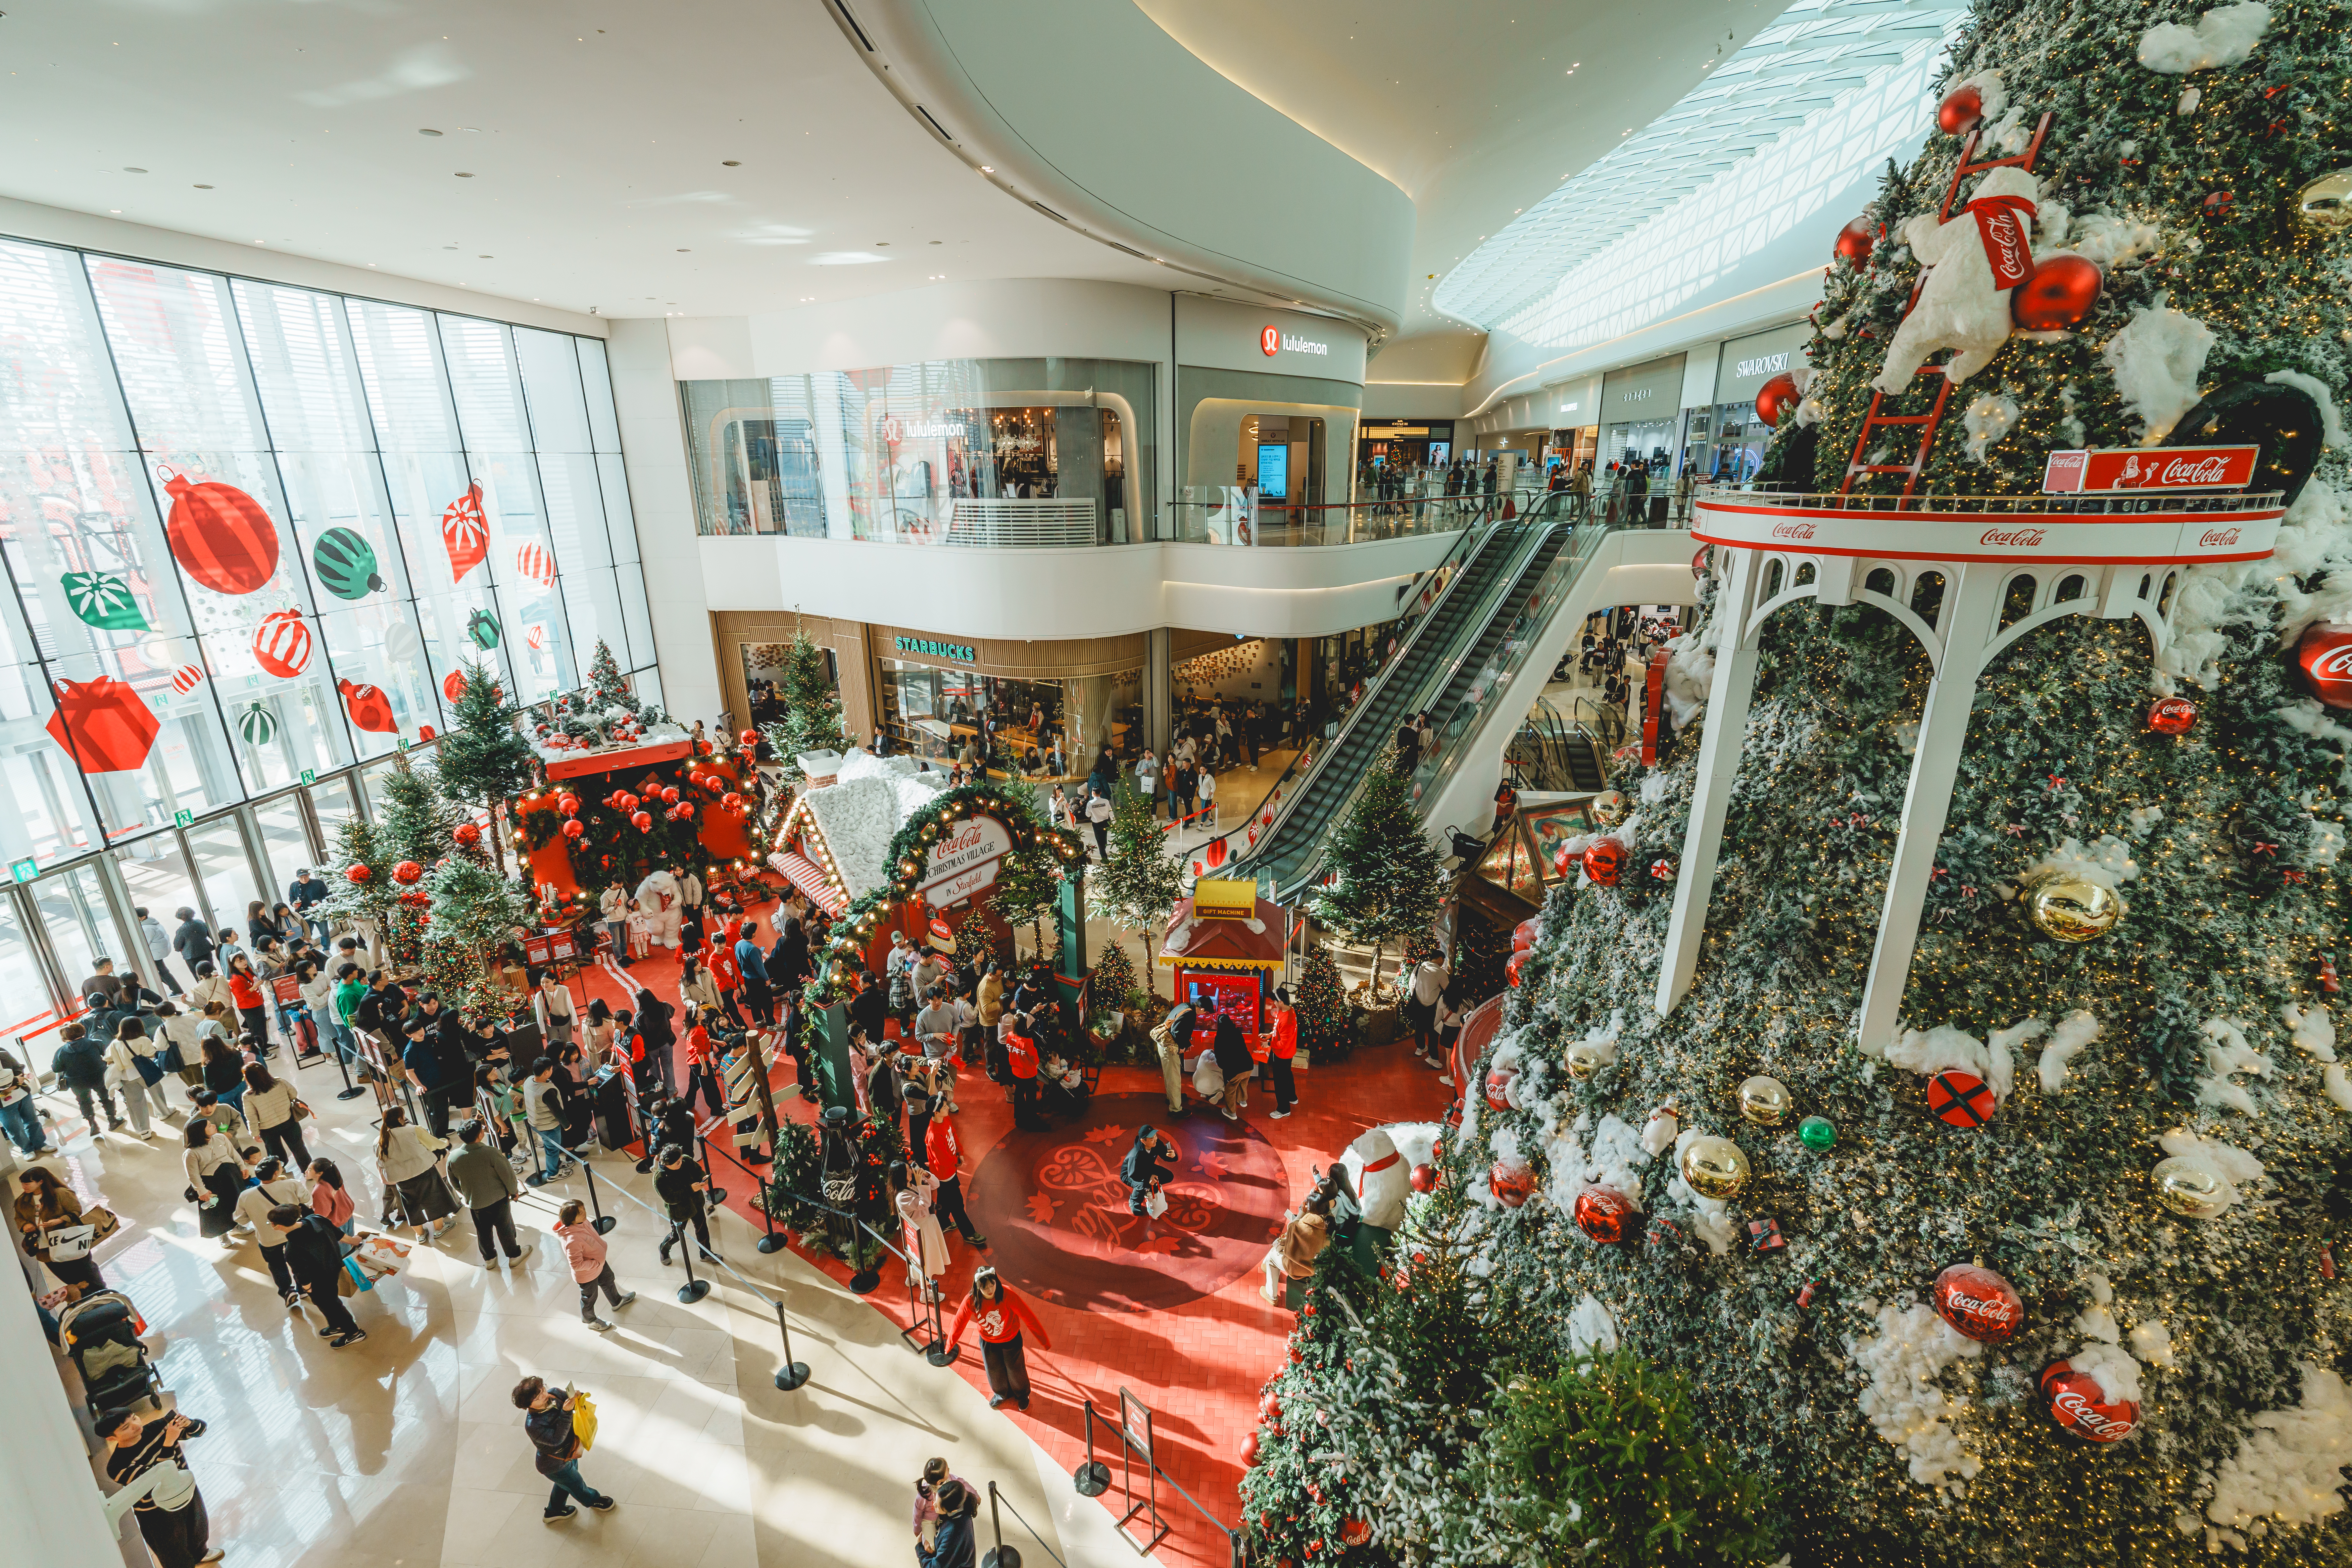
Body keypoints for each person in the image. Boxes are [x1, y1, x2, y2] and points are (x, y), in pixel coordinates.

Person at [100, 1408, 222, 1568]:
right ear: (111, 1438)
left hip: (185, 1489)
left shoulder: (160, 1427)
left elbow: (200, 1430)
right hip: (155, 1508)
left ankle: (200, 1554)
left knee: (198, 1524)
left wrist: (190, 1424)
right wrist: (169, 1442)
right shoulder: (117, 1466)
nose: (136, 1426)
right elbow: (159, 1477)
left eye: (135, 1418)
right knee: (171, 1547)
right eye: (126, 1428)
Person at [515, 1374, 618, 1519]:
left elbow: (575, 1403)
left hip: (570, 1452)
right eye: (539, 1396)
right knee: (577, 1485)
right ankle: (594, 1500)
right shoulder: (533, 1425)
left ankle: (554, 1510)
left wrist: (578, 1397)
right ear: (529, 1405)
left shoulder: (554, 1394)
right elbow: (558, 1439)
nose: (545, 1394)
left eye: (543, 1389)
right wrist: (566, 1412)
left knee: (565, 1483)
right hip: (554, 1464)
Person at [947, 1265, 1049, 1411]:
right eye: (985, 1287)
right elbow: (959, 1322)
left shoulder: (1008, 1295)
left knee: (1015, 1370)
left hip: (1011, 1339)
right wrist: (949, 1345)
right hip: (988, 1342)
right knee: (994, 1370)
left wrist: (1044, 1340)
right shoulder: (971, 1300)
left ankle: (1022, 1395)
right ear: (978, 1288)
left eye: (992, 1284)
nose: (990, 1290)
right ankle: (1001, 1394)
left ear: (997, 1282)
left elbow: (1028, 1316)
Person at [275, 1201, 366, 1343]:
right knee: (328, 1301)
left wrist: (307, 1288)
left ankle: (353, 1332)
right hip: (334, 1266)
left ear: (277, 1226)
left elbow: (303, 1274)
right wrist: (354, 1241)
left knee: (331, 1304)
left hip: (318, 1279)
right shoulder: (316, 1219)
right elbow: (339, 1234)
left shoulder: (292, 1249)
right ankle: (336, 1326)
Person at [448, 1117, 531, 1267]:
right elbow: (507, 1174)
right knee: (505, 1227)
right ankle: (514, 1256)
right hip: (499, 1200)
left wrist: (468, 1193)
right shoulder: (491, 1152)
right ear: (480, 1135)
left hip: (475, 1202)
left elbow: (453, 1181)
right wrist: (514, 1191)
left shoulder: (453, 1157)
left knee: (483, 1231)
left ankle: (490, 1259)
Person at [16, 1163, 106, 1293]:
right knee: (68, 1278)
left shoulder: (61, 1194)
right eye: (23, 1184)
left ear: (41, 1182)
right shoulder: (22, 1201)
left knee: (87, 1272)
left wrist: (59, 1221)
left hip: (70, 1241)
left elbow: (76, 1211)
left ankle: (102, 1293)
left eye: (28, 1184)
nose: (24, 1187)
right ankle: (85, 1297)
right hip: (46, 1250)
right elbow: (19, 1218)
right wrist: (25, 1225)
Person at [234, 1157, 310, 1305]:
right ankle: (304, 1288)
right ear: (276, 1173)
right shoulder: (292, 1184)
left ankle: (287, 1291)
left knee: (277, 1265)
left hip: (268, 1238)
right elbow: (306, 1198)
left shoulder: (246, 1195)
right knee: (300, 1261)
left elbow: (241, 1220)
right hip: (293, 1233)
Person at [376, 1105, 456, 1242]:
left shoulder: (379, 1140)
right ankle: (439, 1229)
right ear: (401, 1119)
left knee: (411, 1206)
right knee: (433, 1199)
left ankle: (420, 1235)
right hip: (423, 1172)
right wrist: (445, 1141)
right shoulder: (414, 1130)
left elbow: (381, 1162)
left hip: (401, 1180)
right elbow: (436, 1145)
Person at [555, 1199, 636, 1330]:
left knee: (609, 1280)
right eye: (580, 1213)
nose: (585, 1213)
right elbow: (577, 1265)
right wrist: (595, 1264)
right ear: (571, 1219)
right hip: (588, 1273)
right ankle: (590, 1320)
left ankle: (617, 1302)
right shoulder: (572, 1241)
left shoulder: (583, 1222)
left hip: (599, 1264)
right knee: (590, 1297)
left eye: (584, 1209)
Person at [924, 1106, 986, 1249]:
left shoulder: (945, 1119)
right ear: (936, 1112)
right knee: (957, 1204)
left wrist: (960, 1151)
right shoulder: (933, 1135)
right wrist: (956, 1160)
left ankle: (943, 1223)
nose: (948, 1108)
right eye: (944, 1107)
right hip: (945, 1174)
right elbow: (943, 1160)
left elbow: (953, 1134)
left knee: (945, 1199)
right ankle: (969, 1233)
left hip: (951, 1170)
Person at [653, 1143, 720, 1268]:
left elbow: (698, 1171)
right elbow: (671, 1199)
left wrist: (703, 1178)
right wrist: (691, 1190)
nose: (681, 1163)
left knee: (703, 1231)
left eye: (681, 1160)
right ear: (667, 1165)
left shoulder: (686, 1160)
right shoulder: (660, 1179)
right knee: (677, 1236)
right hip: (680, 1211)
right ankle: (664, 1250)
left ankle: (705, 1254)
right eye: (677, 1163)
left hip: (697, 1203)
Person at [183, 1116, 246, 1244]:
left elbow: (233, 1154)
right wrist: (202, 1192)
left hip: (231, 1175)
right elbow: (193, 1175)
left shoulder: (221, 1138)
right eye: (209, 1126)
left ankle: (235, 1227)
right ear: (201, 1132)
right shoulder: (191, 1153)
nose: (214, 1126)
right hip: (213, 1182)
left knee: (235, 1202)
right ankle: (222, 1234)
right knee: (218, 1209)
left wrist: (243, 1167)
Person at [242, 1058, 311, 1171]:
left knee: (275, 1153)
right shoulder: (280, 1082)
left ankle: (279, 1171)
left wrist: (254, 1133)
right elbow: (294, 1094)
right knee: (299, 1148)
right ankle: (308, 1171)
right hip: (289, 1120)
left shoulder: (248, 1096)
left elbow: (251, 1116)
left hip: (268, 1129)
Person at [53, 1020, 121, 1135]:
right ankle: (113, 1121)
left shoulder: (62, 1052)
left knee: (84, 1102)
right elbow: (107, 1056)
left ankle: (93, 1124)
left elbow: (56, 1069)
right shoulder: (96, 1043)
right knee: (106, 1098)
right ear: (82, 1031)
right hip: (99, 1077)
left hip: (77, 1082)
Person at [522, 1057, 572, 1185]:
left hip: (535, 1122)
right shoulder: (547, 1091)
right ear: (546, 1072)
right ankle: (553, 1175)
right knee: (552, 1149)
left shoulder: (528, 1081)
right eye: (551, 1070)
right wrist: (566, 1125)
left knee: (550, 1147)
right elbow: (557, 1111)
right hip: (549, 1125)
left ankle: (557, 1164)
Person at [1121, 1125, 1175, 1226]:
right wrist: (1148, 1179)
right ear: (1143, 1141)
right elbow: (1133, 1174)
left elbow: (1165, 1155)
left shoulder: (1156, 1144)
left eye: (1156, 1137)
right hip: (1131, 1174)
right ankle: (1134, 1200)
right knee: (1142, 1185)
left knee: (1169, 1176)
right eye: (1152, 1139)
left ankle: (1149, 1187)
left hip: (1147, 1168)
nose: (1156, 1141)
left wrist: (1173, 1156)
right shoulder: (1135, 1156)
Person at [0, 1043, 47, 1155]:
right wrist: (10, 1086)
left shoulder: (2, 1053)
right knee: (15, 1129)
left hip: (22, 1095)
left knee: (32, 1121)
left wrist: (14, 1085)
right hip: (4, 1104)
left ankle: (40, 1144)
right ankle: (27, 1150)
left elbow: (18, 1069)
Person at [1151, 1001, 1194, 1117]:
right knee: (1174, 1079)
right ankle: (1176, 1110)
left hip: (1163, 1045)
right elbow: (1177, 1031)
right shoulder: (1190, 1013)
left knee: (1169, 1075)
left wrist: (1186, 1044)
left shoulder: (1185, 1006)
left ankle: (1171, 1098)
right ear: (1203, 1010)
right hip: (1170, 1049)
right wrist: (1182, 1047)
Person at [928, 1478, 979, 1568]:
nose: (934, 1505)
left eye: (939, 1507)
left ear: (953, 1510)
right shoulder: (958, 1501)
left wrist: (920, 1549)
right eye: (936, 1499)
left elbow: (934, 1567)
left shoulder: (953, 1532)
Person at [1002, 1013, 1040, 1131]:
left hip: (1016, 1071)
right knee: (1031, 1096)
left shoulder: (1009, 1036)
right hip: (1028, 1073)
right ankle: (1032, 1119)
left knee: (1019, 1095)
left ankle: (1019, 1119)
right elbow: (1035, 1059)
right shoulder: (1027, 1042)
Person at [1212, 1014, 1254, 1122]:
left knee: (1230, 1090)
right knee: (1243, 1083)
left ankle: (1231, 1112)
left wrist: (1222, 1066)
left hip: (1234, 1070)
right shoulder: (1237, 1032)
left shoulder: (1220, 1037)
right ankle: (1243, 1101)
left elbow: (1219, 1056)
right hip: (1249, 1065)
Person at [1265, 986, 1299, 1119]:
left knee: (1280, 1082)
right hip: (1288, 1053)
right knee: (1288, 1076)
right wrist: (1270, 1035)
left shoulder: (1287, 1021)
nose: (1273, 1004)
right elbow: (1279, 1032)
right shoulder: (1288, 1011)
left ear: (1280, 1002)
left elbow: (1282, 1043)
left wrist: (1269, 1044)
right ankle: (1292, 1097)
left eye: (1274, 1002)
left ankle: (1284, 1109)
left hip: (1282, 1054)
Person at [307, 1158, 356, 1235]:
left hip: (337, 1223)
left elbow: (322, 1215)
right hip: (347, 1214)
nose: (306, 1172)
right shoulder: (334, 1178)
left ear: (320, 1173)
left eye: (310, 1170)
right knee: (352, 1241)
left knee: (343, 1246)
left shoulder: (319, 1190)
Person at [534, 971, 577, 1050]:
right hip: (550, 1025)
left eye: (547, 982)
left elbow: (571, 1007)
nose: (544, 985)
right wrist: (543, 1031)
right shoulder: (539, 996)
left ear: (553, 981)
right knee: (554, 1047)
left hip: (565, 1022)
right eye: (542, 983)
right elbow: (539, 1015)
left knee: (567, 1045)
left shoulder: (564, 990)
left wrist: (575, 1023)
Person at [288, 867, 331, 942]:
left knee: (324, 932)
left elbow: (327, 895)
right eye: (301, 878)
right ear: (297, 877)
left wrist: (320, 902)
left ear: (309, 875)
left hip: (319, 912)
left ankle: (326, 950)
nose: (304, 879)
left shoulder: (318, 883)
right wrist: (293, 904)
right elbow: (292, 898)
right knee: (307, 934)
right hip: (304, 914)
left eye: (306, 877)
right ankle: (309, 950)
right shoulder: (294, 886)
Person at [170, 908, 215, 976]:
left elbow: (177, 947)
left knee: (198, 975)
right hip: (205, 951)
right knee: (211, 970)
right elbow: (211, 934)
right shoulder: (201, 923)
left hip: (191, 956)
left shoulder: (182, 930)